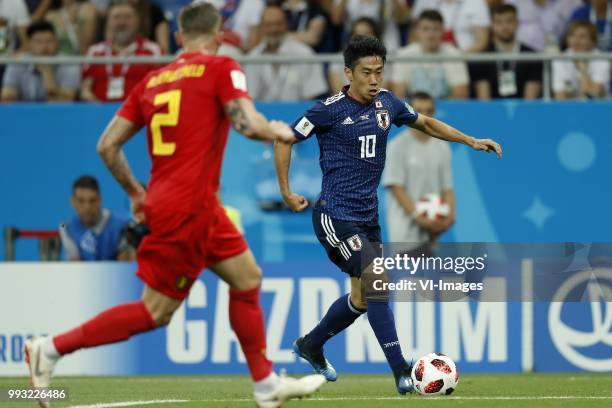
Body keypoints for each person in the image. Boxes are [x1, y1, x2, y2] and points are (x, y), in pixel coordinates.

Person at [24, 3, 325, 408]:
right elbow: (245, 122)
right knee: (155, 312)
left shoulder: (152, 80)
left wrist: (134, 191)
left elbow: (107, 145)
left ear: (179, 38)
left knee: (247, 277)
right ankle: (51, 348)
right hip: (189, 209)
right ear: (219, 36)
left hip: (186, 203)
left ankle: (265, 384)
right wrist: (272, 128)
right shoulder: (221, 68)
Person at [274, 35, 501, 393]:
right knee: (378, 281)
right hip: (334, 214)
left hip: (367, 218)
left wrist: (470, 140)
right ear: (348, 73)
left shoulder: (388, 104)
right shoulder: (328, 109)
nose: (374, 79)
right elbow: (284, 138)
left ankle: (311, 345)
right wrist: (286, 192)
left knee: (363, 298)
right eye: (366, 72)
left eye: (379, 71)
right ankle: (401, 369)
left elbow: (425, 123)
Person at [382, 92, 454, 255]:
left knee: (429, 279)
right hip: (404, 234)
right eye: (419, 111)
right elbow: (395, 187)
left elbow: (447, 187)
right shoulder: (397, 146)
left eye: (429, 111)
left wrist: (450, 216)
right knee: (409, 279)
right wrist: (419, 217)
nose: (425, 115)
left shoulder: (442, 147)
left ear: (434, 113)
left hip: (431, 234)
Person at [80, 0, 161, 102]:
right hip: (99, 113)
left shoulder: (152, 51)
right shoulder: (94, 52)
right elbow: (85, 90)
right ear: (108, 22)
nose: (122, 22)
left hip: (138, 114)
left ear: (138, 21)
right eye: (116, 17)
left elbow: (158, 88)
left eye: (127, 17)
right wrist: (99, 110)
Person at [245, 5, 328, 101]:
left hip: (299, 113)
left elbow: (312, 97)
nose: (273, 29)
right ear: (262, 28)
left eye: (278, 24)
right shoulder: (252, 58)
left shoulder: (305, 54)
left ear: (286, 25)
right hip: (262, 114)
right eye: (268, 25)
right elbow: (251, 97)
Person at [391, 10, 469, 100]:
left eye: (435, 29)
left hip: (445, 111)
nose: (430, 35)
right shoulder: (403, 55)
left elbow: (461, 94)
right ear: (417, 31)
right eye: (425, 29)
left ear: (443, 31)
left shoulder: (454, 55)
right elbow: (399, 94)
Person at [471, 4, 543, 100]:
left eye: (509, 21)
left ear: (517, 23)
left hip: (523, 112)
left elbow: (530, 102)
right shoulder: (482, 58)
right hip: (492, 112)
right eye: (499, 22)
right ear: (492, 25)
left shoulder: (532, 57)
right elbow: (484, 102)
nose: (505, 27)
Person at [1, 20, 80, 102]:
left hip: (57, 114)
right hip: (24, 113)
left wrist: (48, 75)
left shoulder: (69, 64)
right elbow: (6, 100)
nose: (45, 47)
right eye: (39, 42)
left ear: (56, 42)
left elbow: (63, 104)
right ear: (30, 44)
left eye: (49, 41)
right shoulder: (17, 63)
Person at [59, 175, 134, 261]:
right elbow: (75, 268)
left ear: (100, 200)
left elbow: (125, 268)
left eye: (92, 200)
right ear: (72, 201)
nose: (87, 207)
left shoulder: (122, 225)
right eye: (81, 201)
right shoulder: (66, 228)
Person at [553, 20, 610, 99]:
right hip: (570, 108)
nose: (575, 41)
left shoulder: (602, 59)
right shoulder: (560, 60)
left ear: (593, 41)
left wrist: (583, 69)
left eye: (582, 36)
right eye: (572, 35)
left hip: (599, 108)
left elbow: (594, 94)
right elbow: (559, 96)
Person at [411, 0, 490, 53]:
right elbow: (414, 35)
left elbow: (481, 41)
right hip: (427, 57)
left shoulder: (476, 2)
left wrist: (457, 58)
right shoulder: (424, 1)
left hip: (467, 59)